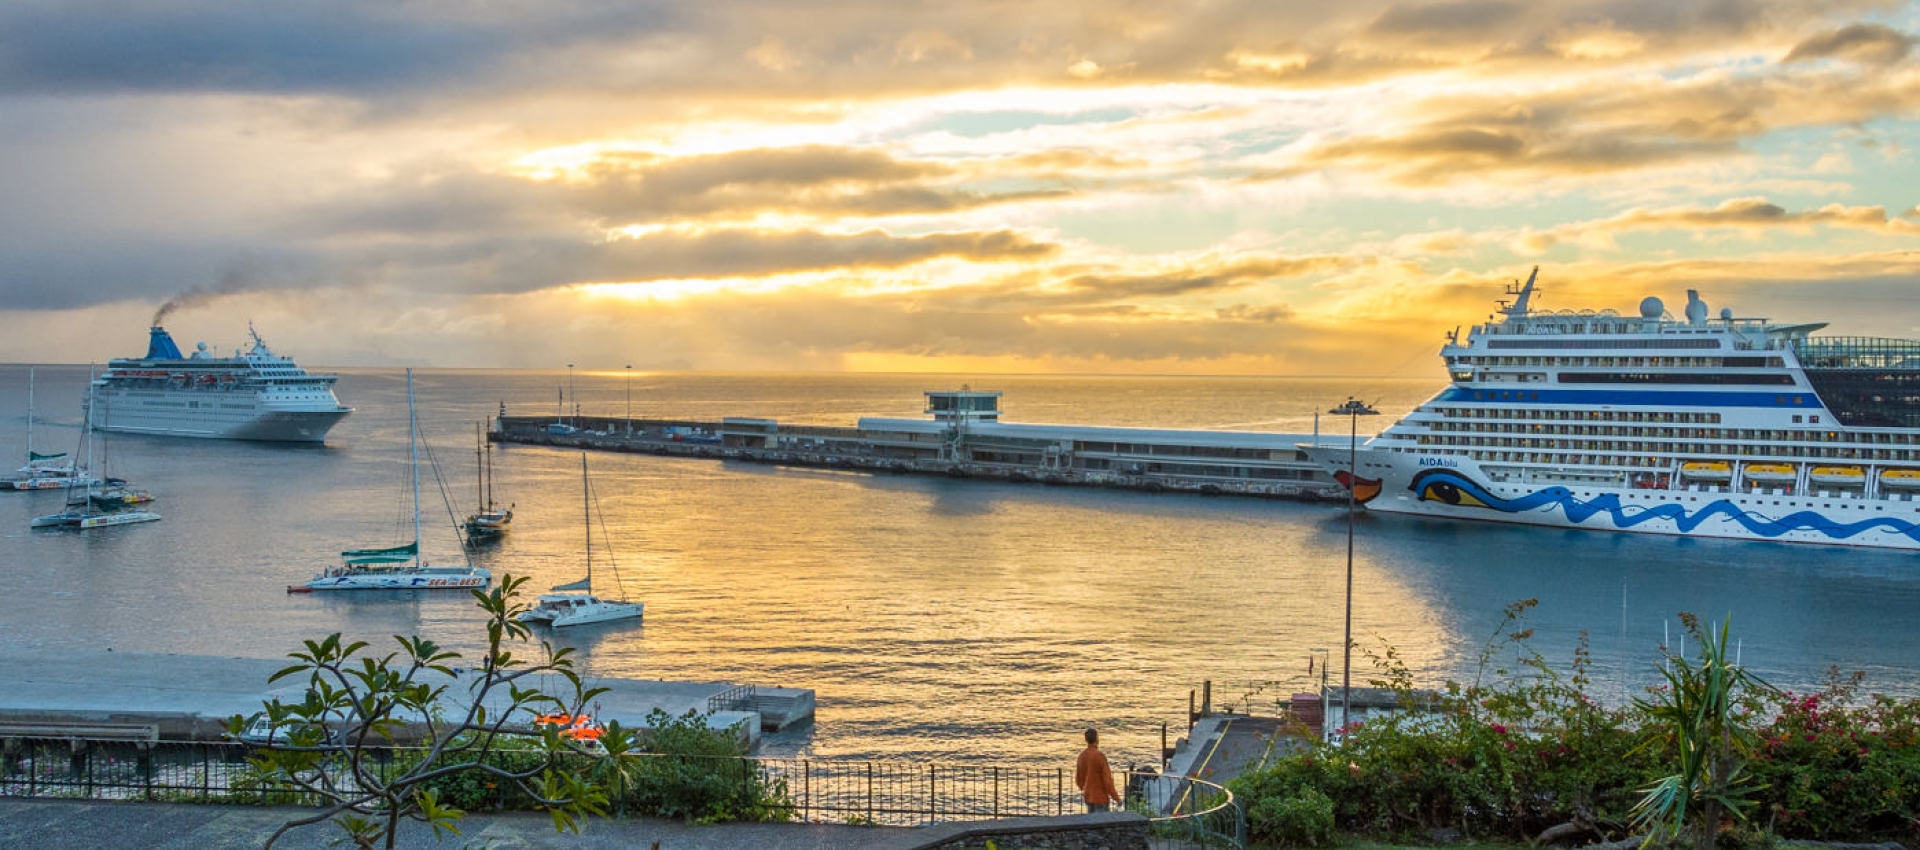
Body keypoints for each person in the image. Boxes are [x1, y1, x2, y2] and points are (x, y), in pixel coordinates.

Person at [1074, 727, 1121, 813]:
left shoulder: (1081, 756)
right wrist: (1116, 798)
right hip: (1101, 798)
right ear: (1097, 738)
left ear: (1086, 739)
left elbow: (1078, 780)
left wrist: (1085, 788)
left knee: (1091, 823)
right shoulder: (1100, 756)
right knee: (1102, 823)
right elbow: (1108, 781)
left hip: (1088, 797)